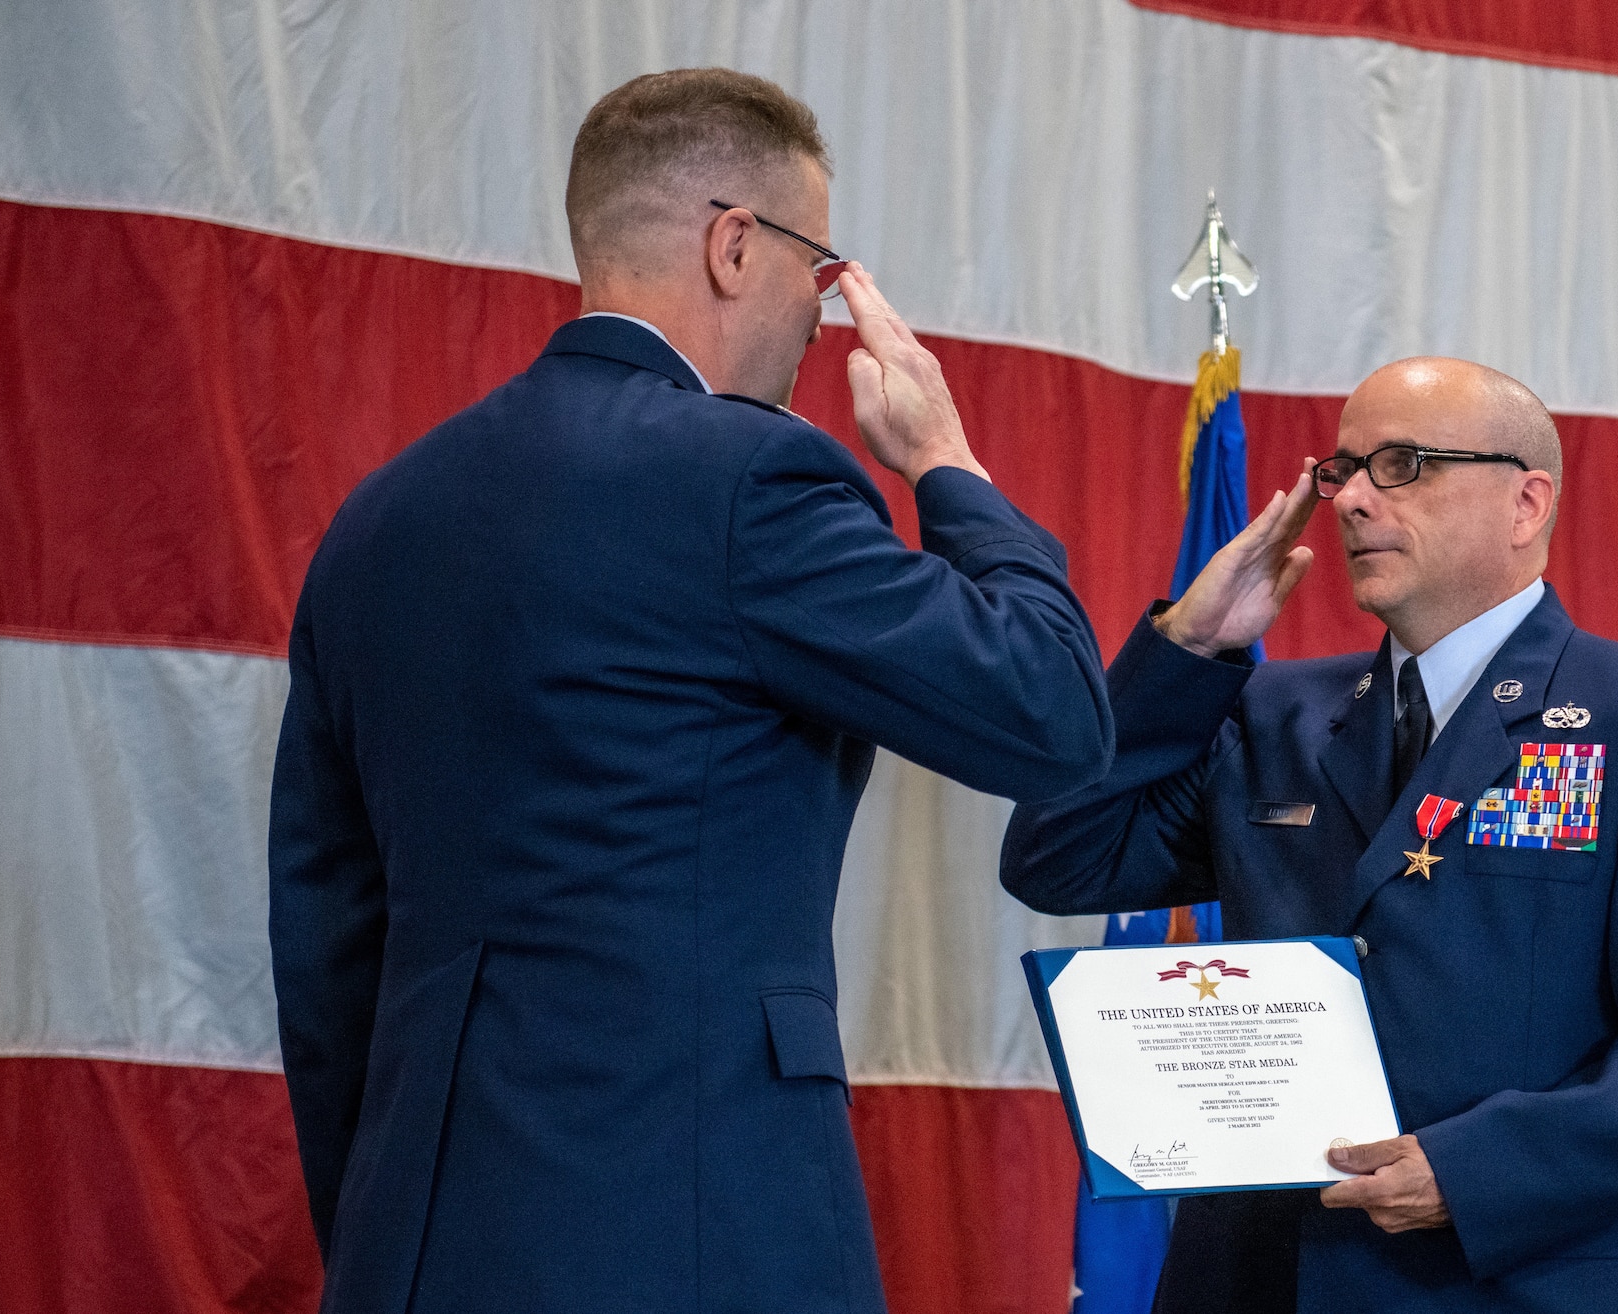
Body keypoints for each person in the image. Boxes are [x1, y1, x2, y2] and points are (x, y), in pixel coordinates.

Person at [269, 68, 1112, 1314]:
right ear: (733, 245)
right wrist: (947, 464)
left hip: (419, 1235)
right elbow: (1051, 715)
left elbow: (327, 943)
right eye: (818, 271)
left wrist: (384, 1229)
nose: (825, 320)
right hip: (700, 1232)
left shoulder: (378, 519)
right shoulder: (747, 479)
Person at [1002, 357, 1618, 1312]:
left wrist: (1471, 1172)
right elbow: (1058, 858)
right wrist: (1188, 651)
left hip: (1508, 1278)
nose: (1352, 499)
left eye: (1403, 464)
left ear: (1527, 502)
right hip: (1259, 1277)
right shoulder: (1271, 712)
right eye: (1343, 469)